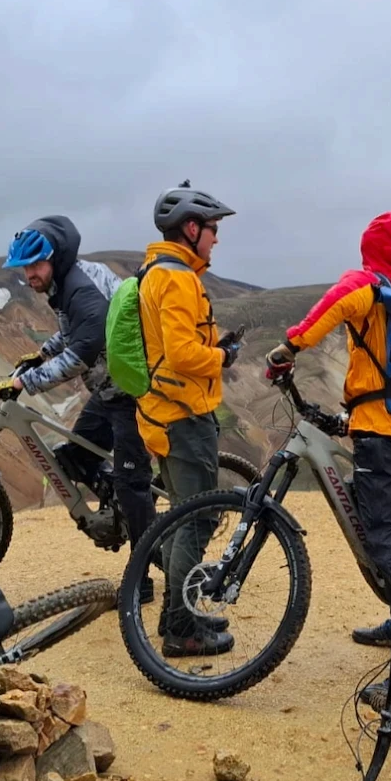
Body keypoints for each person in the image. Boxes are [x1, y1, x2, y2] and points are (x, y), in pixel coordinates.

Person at [265, 212, 391, 695]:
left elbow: (335, 302)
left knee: (382, 541)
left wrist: (290, 346)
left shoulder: (370, 285)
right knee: (382, 525)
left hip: (384, 433)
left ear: (371, 247)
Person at [0, 216, 156, 597]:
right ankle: (118, 505)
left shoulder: (80, 290)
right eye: (24, 269)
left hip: (131, 391)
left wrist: (26, 382)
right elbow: (73, 330)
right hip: (110, 388)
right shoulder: (68, 283)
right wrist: (41, 353)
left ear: (54, 259)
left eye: (35, 265)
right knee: (74, 458)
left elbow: (82, 351)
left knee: (133, 485)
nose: (29, 275)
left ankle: (141, 579)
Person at [135, 181, 245, 658]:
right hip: (182, 415)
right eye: (213, 229)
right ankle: (181, 629)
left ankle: (179, 615)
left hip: (163, 411)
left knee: (184, 516)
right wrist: (222, 356)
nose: (217, 238)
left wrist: (214, 348)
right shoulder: (177, 278)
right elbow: (182, 355)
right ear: (192, 229)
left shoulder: (155, 271)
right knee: (196, 521)